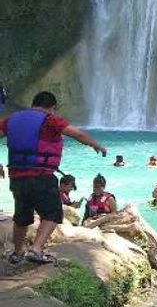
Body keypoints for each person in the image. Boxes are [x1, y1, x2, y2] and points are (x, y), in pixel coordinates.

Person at [0, 91, 107, 265]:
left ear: (34, 103)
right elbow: (77, 134)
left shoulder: (12, 119)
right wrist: (97, 145)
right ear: (52, 107)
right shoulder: (50, 119)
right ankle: (35, 249)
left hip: (17, 176)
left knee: (22, 216)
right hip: (41, 175)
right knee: (52, 213)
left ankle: (17, 253)